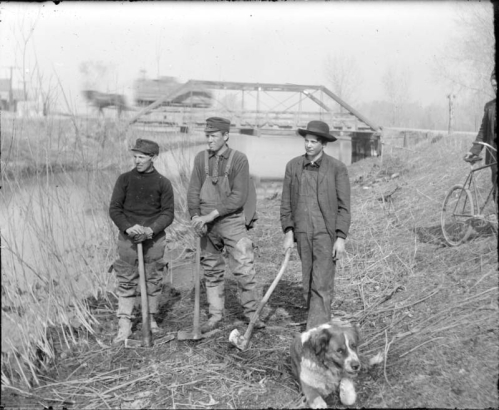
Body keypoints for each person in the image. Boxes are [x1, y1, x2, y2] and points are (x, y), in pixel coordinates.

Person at [187, 117, 264, 333]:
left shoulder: (239, 160)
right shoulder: (200, 159)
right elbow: (193, 191)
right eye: (207, 136)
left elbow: (238, 197)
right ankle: (215, 315)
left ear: (226, 136)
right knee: (211, 269)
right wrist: (195, 216)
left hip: (231, 222)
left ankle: (251, 316)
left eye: (213, 136)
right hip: (205, 224)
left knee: (244, 269)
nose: (209, 140)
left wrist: (211, 215)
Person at [280, 120, 351, 330]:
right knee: (308, 282)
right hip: (302, 233)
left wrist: (340, 237)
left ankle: (316, 332)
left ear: (323, 144)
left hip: (325, 234)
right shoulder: (293, 166)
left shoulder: (337, 168)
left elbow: (344, 206)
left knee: (321, 283)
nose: (309, 145)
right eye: (306, 141)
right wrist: (288, 231)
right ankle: (318, 322)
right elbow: (286, 203)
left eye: (313, 142)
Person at [109, 138, 175, 343]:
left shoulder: (163, 183)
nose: (137, 161)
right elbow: (114, 210)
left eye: (142, 157)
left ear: (153, 158)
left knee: (153, 279)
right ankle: (124, 326)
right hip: (128, 239)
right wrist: (128, 227)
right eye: (135, 156)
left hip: (154, 239)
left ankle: (151, 320)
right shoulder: (124, 180)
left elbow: (168, 213)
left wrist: (150, 230)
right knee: (126, 279)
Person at [463, 68, 497, 202]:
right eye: (494, 85)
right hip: (494, 156)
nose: (496, 88)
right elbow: (483, 131)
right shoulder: (489, 107)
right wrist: (474, 150)